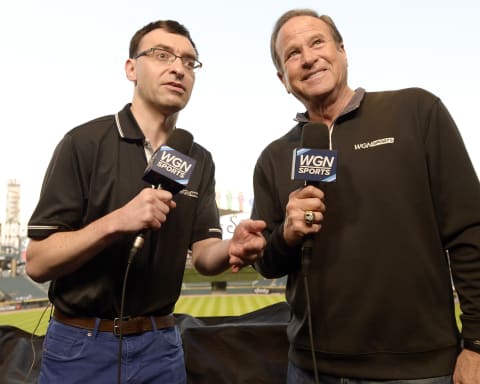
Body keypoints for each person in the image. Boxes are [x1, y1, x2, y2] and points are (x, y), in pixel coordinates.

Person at [26, 19, 266, 384]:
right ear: (131, 68)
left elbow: (203, 254)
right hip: (80, 347)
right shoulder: (84, 143)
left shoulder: (198, 158)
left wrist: (233, 245)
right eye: (162, 55)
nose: (178, 67)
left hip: (161, 344)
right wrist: (116, 221)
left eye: (189, 61)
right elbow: (38, 262)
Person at [251, 8, 480, 383]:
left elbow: (469, 230)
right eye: (292, 53)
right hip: (309, 369)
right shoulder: (274, 157)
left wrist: (476, 343)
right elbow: (269, 263)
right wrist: (287, 235)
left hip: (418, 371)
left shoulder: (416, 111)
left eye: (317, 42)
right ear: (283, 78)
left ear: (342, 51)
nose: (308, 57)